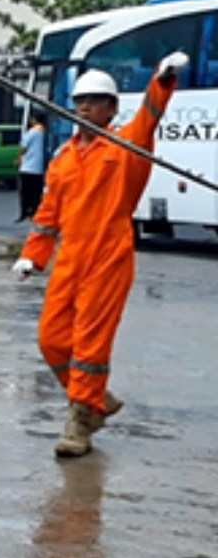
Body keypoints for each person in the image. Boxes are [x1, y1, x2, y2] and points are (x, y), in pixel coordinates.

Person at [12, 51, 187, 458]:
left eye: (94, 101)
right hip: (70, 256)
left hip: (108, 255)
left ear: (112, 108)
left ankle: (80, 423)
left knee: (90, 344)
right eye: (79, 101)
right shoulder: (64, 159)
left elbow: (150, 114)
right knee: (51, 339)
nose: (84, 107)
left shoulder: (128, 145)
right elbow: (47, 215)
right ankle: (95, 398)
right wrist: (33, 257)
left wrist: (162, 79)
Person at [16, 110, 48, 222]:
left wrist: (19, 159)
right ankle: (34, 212)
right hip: (40, 168)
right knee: (36, 193)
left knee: (25, 192)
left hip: (28, 167)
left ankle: (24, 212)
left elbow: (23, 148)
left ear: (34, 119)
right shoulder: (46, 132)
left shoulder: (31, 133)